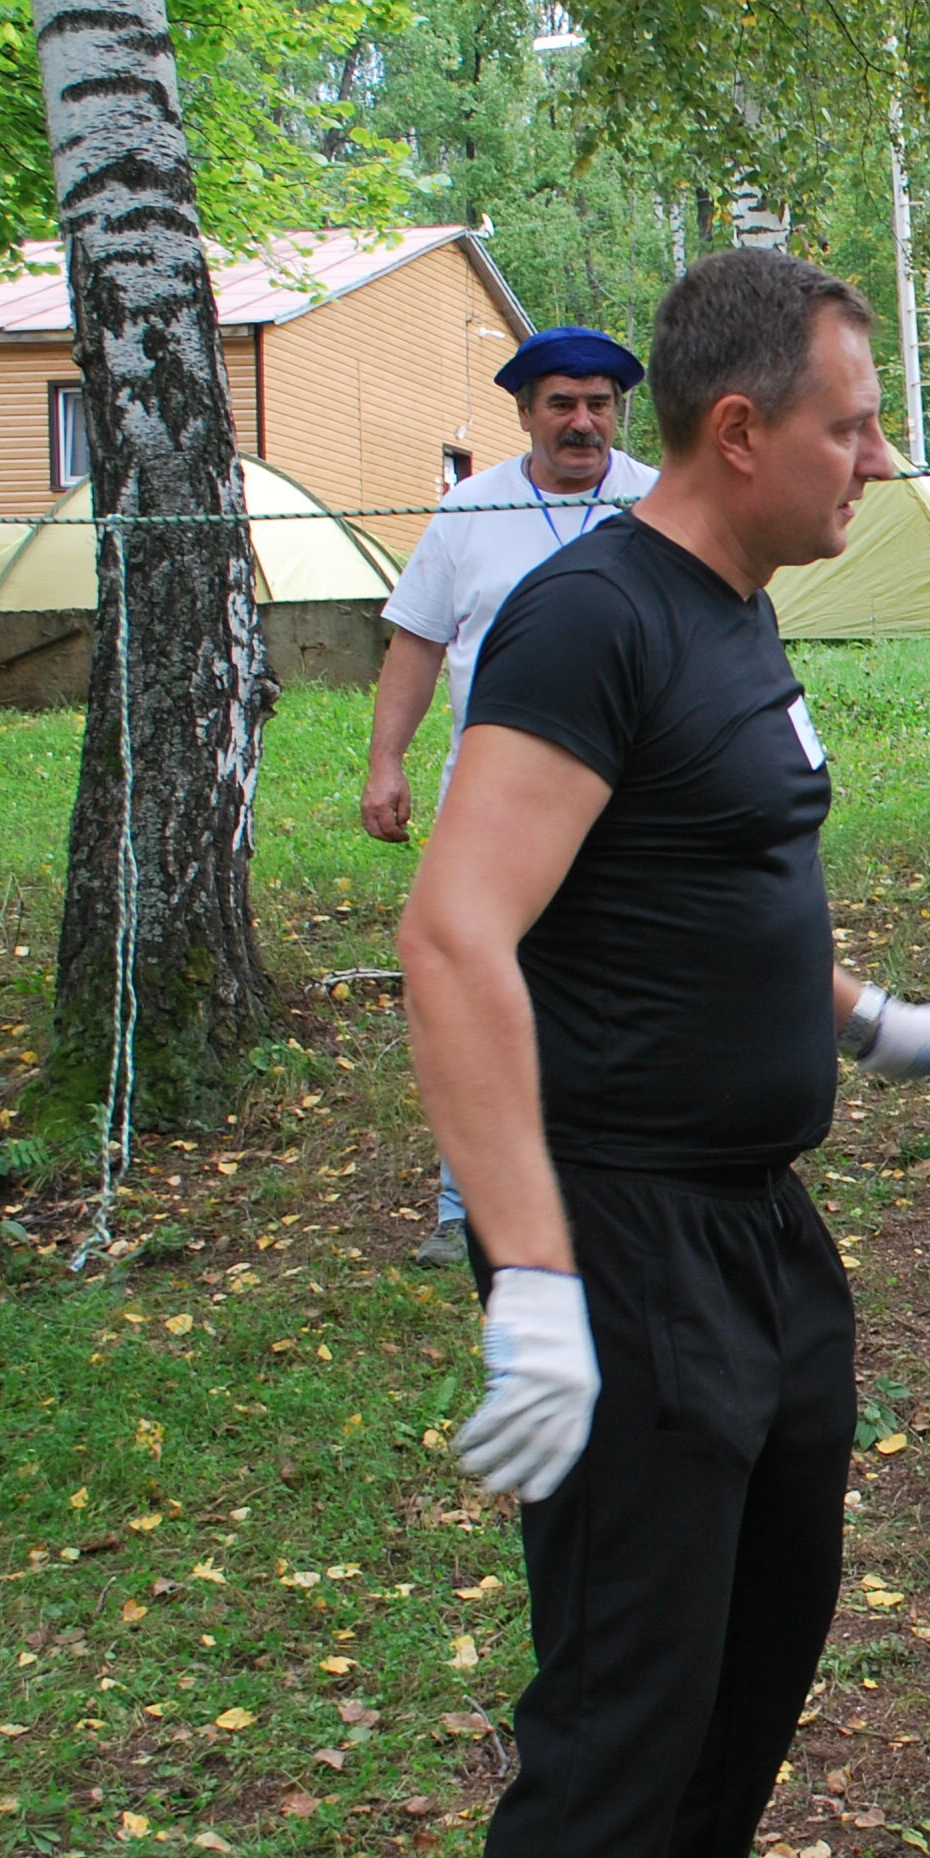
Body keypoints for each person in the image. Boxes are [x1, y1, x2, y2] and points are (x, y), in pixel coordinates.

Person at [399, 250, 930, 1858]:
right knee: (625, 1687)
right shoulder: (589, 623)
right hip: (621, 1227)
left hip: (756, 1215)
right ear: (740, 432)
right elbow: (454, 933)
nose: (876, 461)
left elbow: (703, 893)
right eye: (849, 427)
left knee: (768, 1613)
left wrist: (884, 1029)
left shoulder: (734, 611)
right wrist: (533, 1278)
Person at [368, 326, 664, 1269]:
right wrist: (386, 762)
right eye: (561, 404)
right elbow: (418, 640)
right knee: (478, 987)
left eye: (599, 404)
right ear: (526, 412)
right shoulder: (471, 508)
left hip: (633, 805)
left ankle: (623, 1181)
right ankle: (466, 1204)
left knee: (633, 988)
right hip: (490, 810)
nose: (582, 423)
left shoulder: (660, 502)